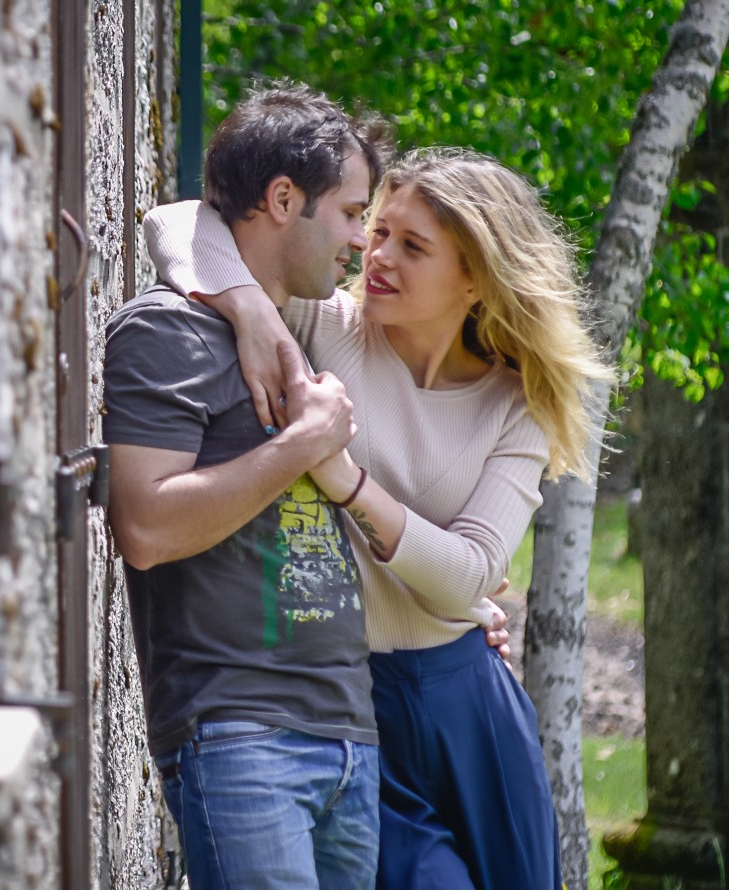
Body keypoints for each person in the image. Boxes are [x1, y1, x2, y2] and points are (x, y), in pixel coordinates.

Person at [145, 144, 615, 889]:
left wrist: (347, 480)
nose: (376, 252)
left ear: (475, 278)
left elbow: (470, 574)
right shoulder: (325, 324)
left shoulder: (517, 402)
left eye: (413, 245)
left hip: (471, 706)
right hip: (352, 699)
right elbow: (176, 225)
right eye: (380, 229)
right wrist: (247, 308)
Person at [103, 82, 395, 890]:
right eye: (348, 212)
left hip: (348, 736)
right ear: (281, 198)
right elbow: (147, 526)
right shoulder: (163, 330)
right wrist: (303, 443)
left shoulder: (305, 330)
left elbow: (178, 222)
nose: (360, 239)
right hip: (237, 734)